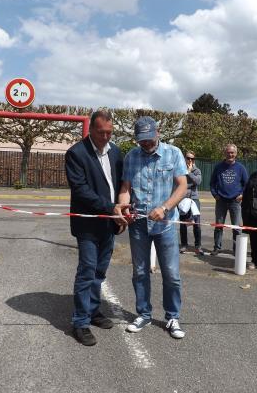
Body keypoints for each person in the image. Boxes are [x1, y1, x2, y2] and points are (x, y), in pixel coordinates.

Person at [118, 116, 188, 339]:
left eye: (149, 139)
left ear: (157, 133)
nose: (146, 144)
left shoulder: (173, 153)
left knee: (172, 274)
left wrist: (165, 208)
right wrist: (123, 205)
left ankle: (172, 317)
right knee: (139, 272)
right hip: (138, 224)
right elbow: (125, 188)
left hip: (165, 224)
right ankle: (144, 314)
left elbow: (182, 186)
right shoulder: (131, 156)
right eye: (142, 140)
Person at [65, 109, 129, 346]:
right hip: (88, 225)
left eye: (109, 132)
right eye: (101, 132)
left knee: (100, 271)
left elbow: (121, 185)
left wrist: (121, 211)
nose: (105, 137)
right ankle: (80, 322)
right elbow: (81, 191)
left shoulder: (116, 152)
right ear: (91, 129)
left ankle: (93, 310)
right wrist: (111, 208)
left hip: (110, 224)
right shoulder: (76, 154)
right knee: (87, 271)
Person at [210, 144, 248, 256]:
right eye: (228, 152)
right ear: (225, 153)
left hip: (235, 202)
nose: (230, 154)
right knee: (219, 226)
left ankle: (237, 249)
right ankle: (217, 247)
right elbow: (212, 183)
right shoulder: (218, 167)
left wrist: (242, 195)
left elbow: (247, 184)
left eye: (232, 152)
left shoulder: (241, 168)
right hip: (221, 200)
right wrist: (215, 195)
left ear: (236, 154)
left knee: (236, 228)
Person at [179, 151, 204, 255]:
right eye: (188, 158)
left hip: (194, 199)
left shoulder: (196, 170)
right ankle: (184, 245)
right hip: (183, 199)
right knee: (183, 223)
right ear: (184, 158)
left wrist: (189, 173)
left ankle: (198, 246)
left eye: (192, 159)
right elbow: (180, 183)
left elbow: (198, 181)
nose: (190, 160)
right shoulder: (180, 169)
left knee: (196, 223)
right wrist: (189, 182)